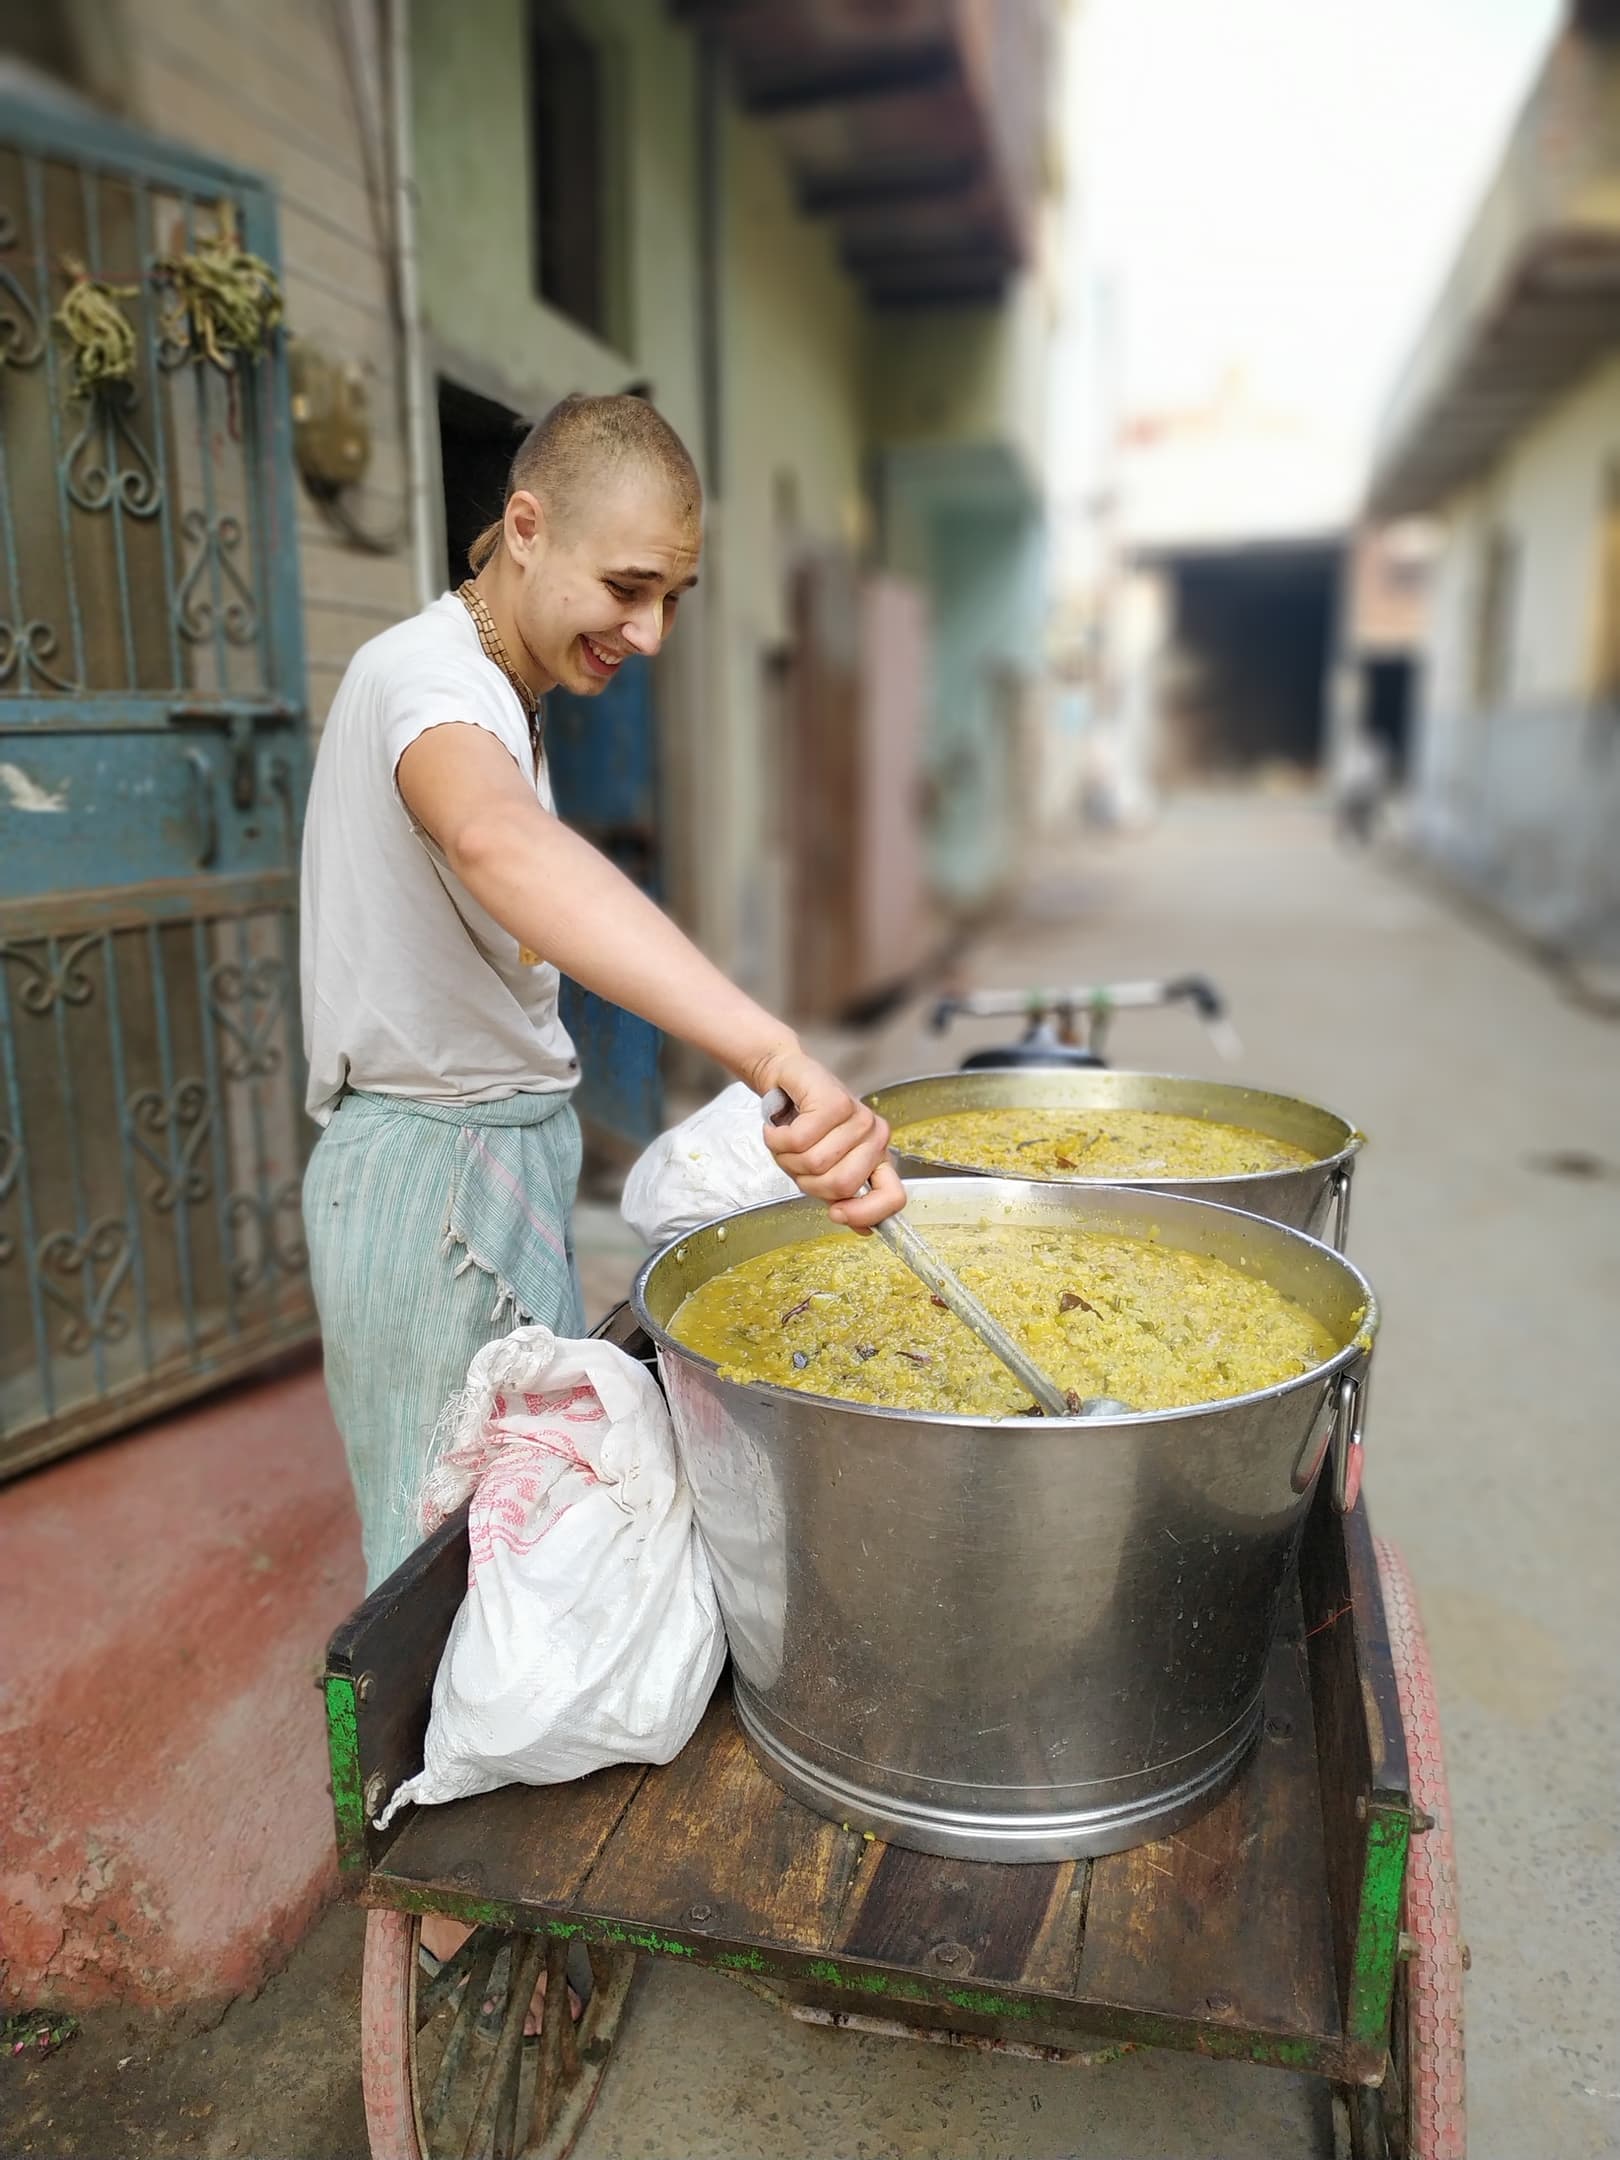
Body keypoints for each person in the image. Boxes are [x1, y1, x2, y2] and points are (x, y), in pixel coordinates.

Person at [300, 393, 905, 1594]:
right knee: (439, 1588)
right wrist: (771, 1053)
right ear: (525, 527)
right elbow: (497, 845)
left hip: (498, 1155)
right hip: (426, 1191)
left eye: (674, 597)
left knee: (516, 1546)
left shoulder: (497, 682)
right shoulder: (428, 683)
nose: (654, 632)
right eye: (630, 587)